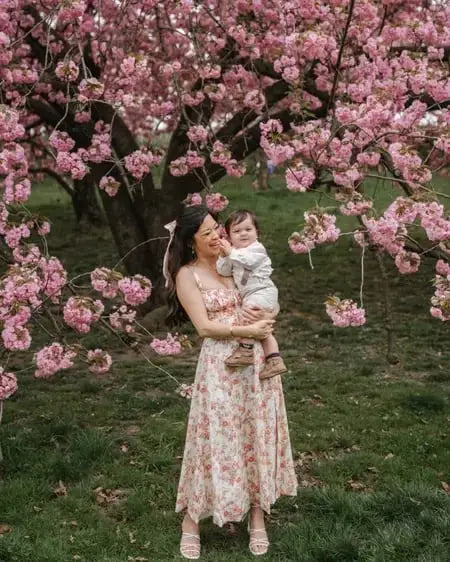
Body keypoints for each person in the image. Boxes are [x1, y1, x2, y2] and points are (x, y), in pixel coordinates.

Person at [164, 204, 298, 559]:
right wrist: (245, 328)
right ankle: (192, 520)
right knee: (215, 438)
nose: (216, 237)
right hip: (221, 365)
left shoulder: (236, 261)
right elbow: (204, 328)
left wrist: (267, 315)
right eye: (207, 233)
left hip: (255, 362)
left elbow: (265, 289)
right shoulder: (187, 275)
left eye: (216, 229)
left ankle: (256, 515)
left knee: (254, 433)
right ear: (191, 241)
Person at [216, 209, 287, 379]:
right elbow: (224, 271)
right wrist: (225, 256)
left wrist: (231, 253)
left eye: (248, 229)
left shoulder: (257, 249)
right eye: (237, 231)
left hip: (262, 291)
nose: (243, 234)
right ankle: (274, 359)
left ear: (257, 232)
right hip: (253, 293)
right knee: (262, 328)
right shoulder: (234, 254)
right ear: (229, 236)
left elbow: (249, 261)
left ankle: (246, 351)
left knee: (247, 315)